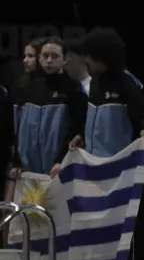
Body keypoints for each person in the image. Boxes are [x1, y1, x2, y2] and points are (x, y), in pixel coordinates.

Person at [11, 37, 87, 181]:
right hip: (28, 173)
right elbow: (19, 129)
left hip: (58, 171)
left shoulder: (73, 89)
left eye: (55, 56)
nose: (49, 61)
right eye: (45, 56)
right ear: (39, 58)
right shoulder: (30, 88)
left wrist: (61, 160)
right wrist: (16, 161)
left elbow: (78, 129)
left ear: (65, 60)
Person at [78, 28, 144, 157]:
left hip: (118, 164)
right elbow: (93, 121)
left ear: (100, 57)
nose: (85, 60)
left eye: (89, 55)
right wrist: (80, 136)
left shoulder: (126, 82)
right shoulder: (94, 82)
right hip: (92, 160)